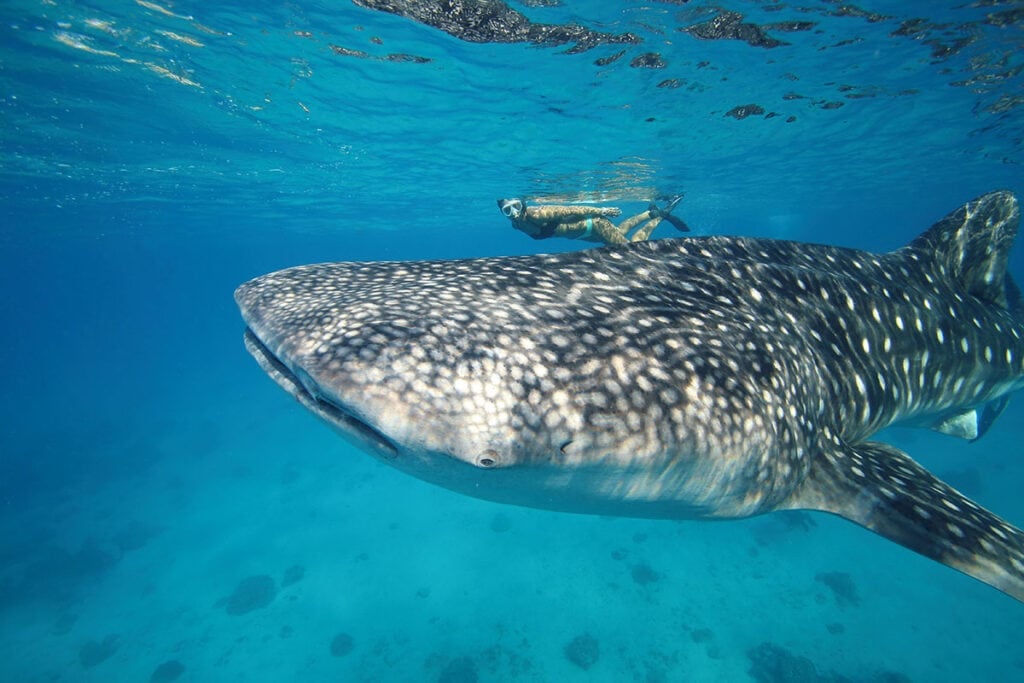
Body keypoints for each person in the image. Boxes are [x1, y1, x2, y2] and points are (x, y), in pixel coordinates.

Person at [497, 195, 688, 245]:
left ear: (522, 204)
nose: (514, 212)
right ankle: (650, 214)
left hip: (594, 225)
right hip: (584, 233)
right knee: (620, 232)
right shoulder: (517, 224)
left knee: (630, 248)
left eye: (516, 206)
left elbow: (571, 209)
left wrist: (602, 210)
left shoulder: (538, 214)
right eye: (507, 210)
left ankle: (661, 216)